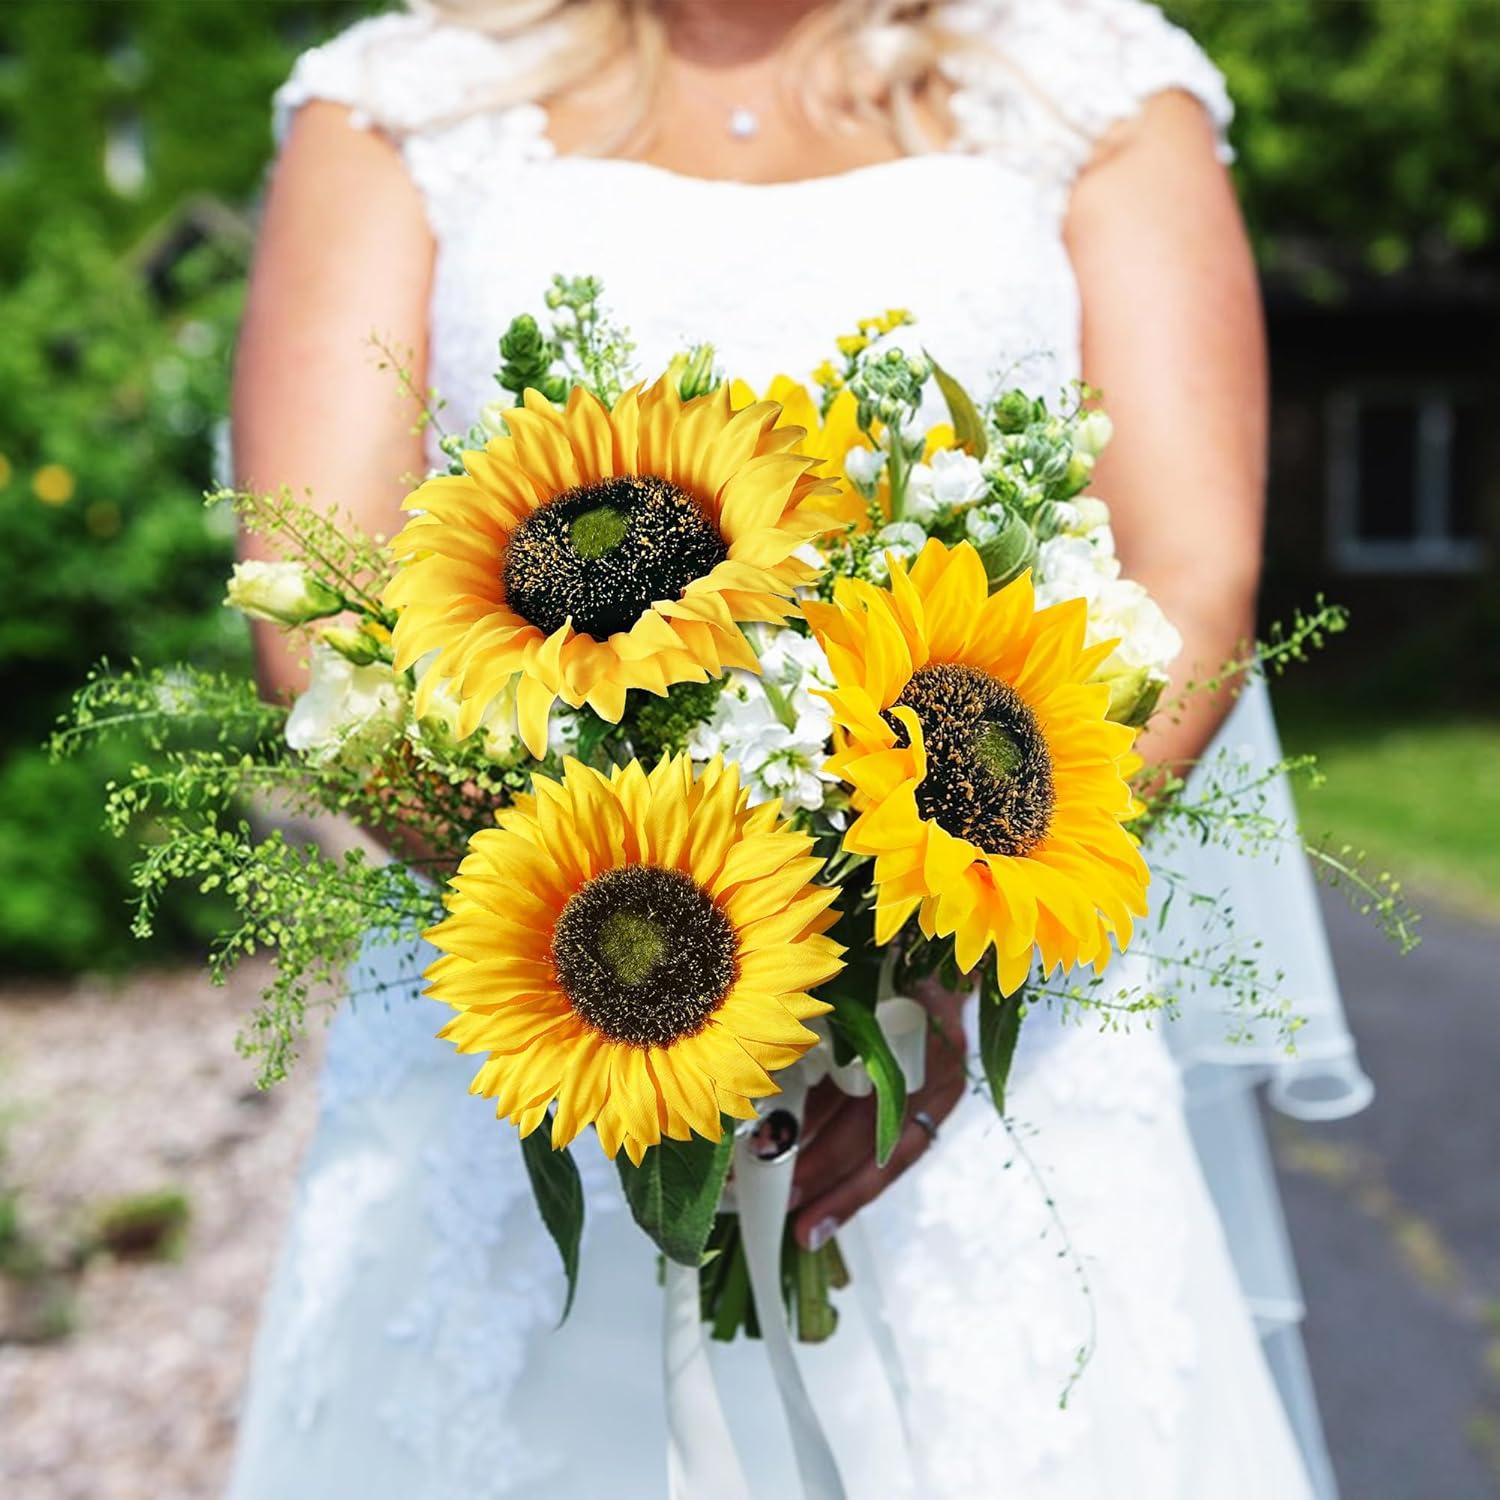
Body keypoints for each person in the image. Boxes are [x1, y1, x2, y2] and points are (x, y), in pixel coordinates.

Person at [228, 2, 1368, 1494]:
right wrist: (640, 945)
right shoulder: (397, 101)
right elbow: (323, 610)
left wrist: (926, 964)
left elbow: (1190, 584)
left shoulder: (1094, 86)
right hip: (540, 1005)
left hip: (995, 1022)